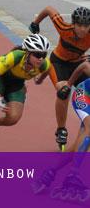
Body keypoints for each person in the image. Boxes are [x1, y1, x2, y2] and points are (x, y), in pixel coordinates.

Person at [0, 34, 51, 153]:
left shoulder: (43, 64)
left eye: (43, 55)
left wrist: (40, 79)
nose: (41, 58)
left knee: (13, 118)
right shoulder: (14, 57)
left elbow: (48, 69)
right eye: (37, 55)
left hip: (16, 84)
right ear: (27, 53)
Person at [29, 6, 90, 150]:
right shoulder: (64, 28)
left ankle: (85, 126)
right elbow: (49, 9)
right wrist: (36, 23)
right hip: (59, 62)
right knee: (63, 91)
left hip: (78, 63)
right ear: (73, 24)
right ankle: (61, 129)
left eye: (86, 26)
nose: (82, 29)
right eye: (79, 25)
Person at [32, 62, 90, 200]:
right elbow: (84, 65)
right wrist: (69, 85)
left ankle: (49, 173)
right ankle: (73, 175)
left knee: (78, 146)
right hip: (83, 95)